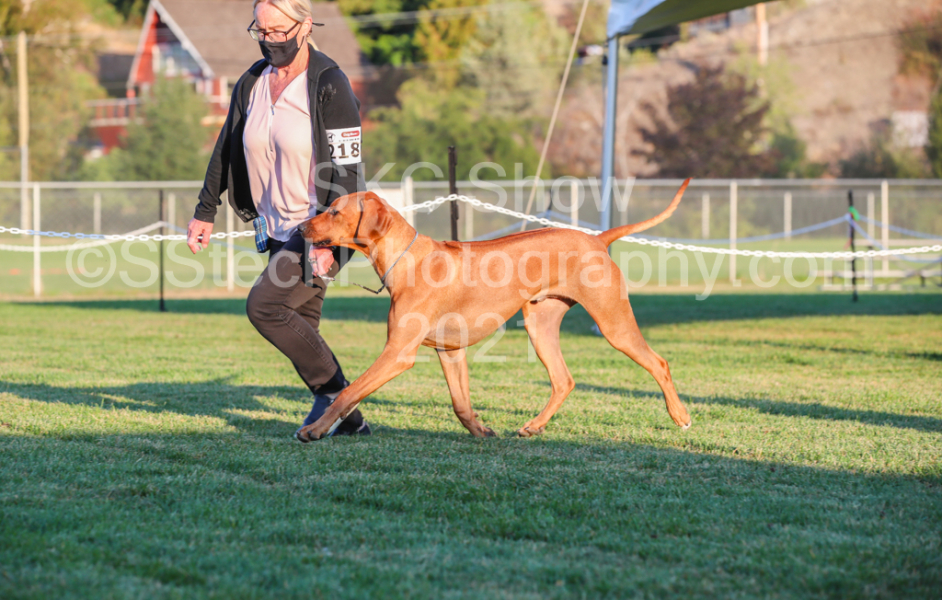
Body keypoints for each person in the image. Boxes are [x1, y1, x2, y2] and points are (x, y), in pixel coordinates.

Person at [186, 0, 369, 439]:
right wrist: (205, 211)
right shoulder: (252, 81)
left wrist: (330, 241)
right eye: (261, 31)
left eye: (278, 31)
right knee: (303, 327)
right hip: (275, 226)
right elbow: (226, 147)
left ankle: (337, 398)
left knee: (265, 307)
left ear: (305, 26)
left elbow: (348, 170)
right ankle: (348, 419)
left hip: (320, 226)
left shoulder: (329, 83)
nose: (269, 41)